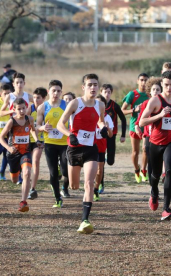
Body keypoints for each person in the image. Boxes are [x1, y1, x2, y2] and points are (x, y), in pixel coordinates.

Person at [57, 73, 106, 234]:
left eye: (95, 85)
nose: (93, 87)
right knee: (74, 185)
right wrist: (69, 134)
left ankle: (85, 220)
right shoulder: (75, 103)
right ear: (83, 87)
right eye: (90, 85)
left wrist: (102, 127)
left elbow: (100, 120)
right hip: (74, 148)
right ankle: (62, 169)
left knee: (89, 184)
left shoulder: (100, 105)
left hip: (91, 148)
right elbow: (60, 124)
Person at [139, 70, 171, 221]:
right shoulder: (155, 101)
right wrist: (160, 115)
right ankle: (154, 193)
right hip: (155, 142)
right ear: (162, 84)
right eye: (166, 85)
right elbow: (142, 122)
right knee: (154, 176)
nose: (169, 88)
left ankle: (166, 209)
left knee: (169, 170)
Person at [0, 98, 40, 212]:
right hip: (13, 153)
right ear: (14, 109)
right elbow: (0, 137)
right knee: (14, 179)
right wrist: (8, 147)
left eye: (23, 108)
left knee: (26, 173)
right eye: (19, 109)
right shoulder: (12, 121)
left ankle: (23, 201)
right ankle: (14, 173)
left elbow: (32, 130)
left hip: (25, 151)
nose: (22, 111)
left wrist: (36, 139)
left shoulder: (30, 119)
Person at [37, 80, 70, 207]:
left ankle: (62, 171)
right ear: (48, 92)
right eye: (53, 90)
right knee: (53, 173)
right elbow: (37, 125)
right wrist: (42, 128)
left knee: (66, 171)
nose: (56, 93)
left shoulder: (67, 105)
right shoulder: (43, 107)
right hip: (50, 143)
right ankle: (58, 198)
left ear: (61, 92)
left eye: (58, 91)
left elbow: (72, 122)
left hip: (64, 143)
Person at [121, 73, 149, 183]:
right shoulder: (132, 94)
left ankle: (144, 170)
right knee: (135, 152)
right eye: (141, 80)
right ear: (137, 81)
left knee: (145, 149)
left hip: (147, 126)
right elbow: (122, 111)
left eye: (146, 80)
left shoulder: (150, 95)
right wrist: (134, 110)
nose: (144, 82)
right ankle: (136, 170)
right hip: (135, 126)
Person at [99, 84, 126, 193]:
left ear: (111, 93)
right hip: (100, 136)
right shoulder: (96, 105)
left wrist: (123, 135)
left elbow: (123, 119)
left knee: (110, 161)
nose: (107, 94)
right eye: (105, 92)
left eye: (109, 92)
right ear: (101, 93)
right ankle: (101, 184)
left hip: (111, 135)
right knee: (101, 164)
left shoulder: (114, 106)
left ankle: (107, 157)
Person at [135, 77, 162, 181]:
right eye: (153, 89)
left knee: (158, 153)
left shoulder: (163, 103)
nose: (155, 92)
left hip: (159, 133)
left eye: (158, 89)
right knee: (146, 149)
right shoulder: (146, 103)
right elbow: (141, 116)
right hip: (148, 132)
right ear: (149, 91)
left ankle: (160, 171)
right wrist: (137, 126)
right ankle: (145, 170)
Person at [28, 87, 47, 200]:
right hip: (27, 140)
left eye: (38, 98)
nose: (35, 100)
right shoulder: (29, 109)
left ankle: (32, 188)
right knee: (26, 166)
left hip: (39, 141)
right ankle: (25, 181)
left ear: (44, 98)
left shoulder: (46, 109)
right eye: (34, 97)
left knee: (35, 161)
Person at [94, 95, 113, 201]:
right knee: (90, 169)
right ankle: (89, 188)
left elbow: (110, 135)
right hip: (89, 145)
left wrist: (108, 128)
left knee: (99, 171)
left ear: (104, 106)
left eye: (101, 104)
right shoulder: (90, 115)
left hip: (101, 147)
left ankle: (96, 189)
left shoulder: (107, 117)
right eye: (96, 103)